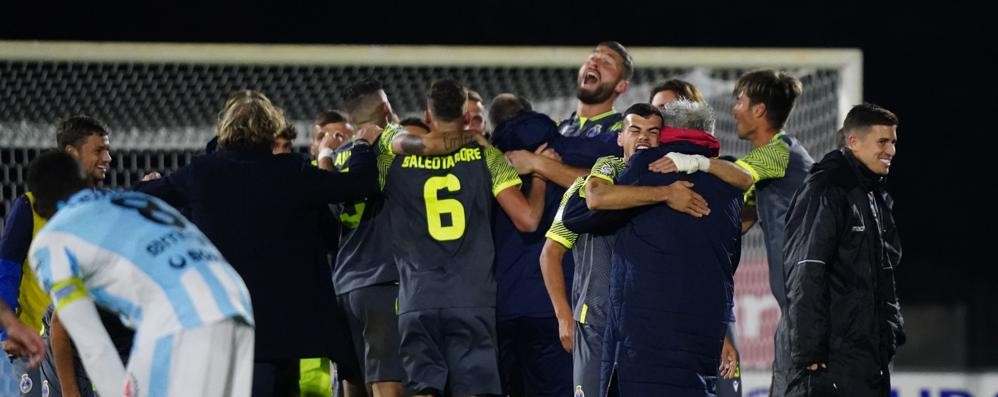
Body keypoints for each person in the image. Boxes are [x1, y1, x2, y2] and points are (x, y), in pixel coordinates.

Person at [136, 90, 375, 396]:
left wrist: (148, 182)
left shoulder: (201, 172)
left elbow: (144, 197)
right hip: (284, 328)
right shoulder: (291, 171)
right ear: (270, 129)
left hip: (222, 321)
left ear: (226, 129)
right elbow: (356, 186)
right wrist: (363, 148)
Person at [25, 150, 255, 397]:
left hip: (178, 318)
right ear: (84, 183)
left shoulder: (52, 239)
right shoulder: (141, 202)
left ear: (39, 209)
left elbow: (90, 339)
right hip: (237, 304)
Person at [379, 79, 546, 397]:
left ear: (427, 117)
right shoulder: (487, 158)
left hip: (417, 298)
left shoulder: (392, 160)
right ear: (466, 118)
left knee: (424, 389)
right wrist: (538, 179)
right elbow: (528, 220)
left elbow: (386, 137)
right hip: (471, 299)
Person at [563, 102, 743, 396]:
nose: (645, 140)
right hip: (701, 335)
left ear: (668, 134)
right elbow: (728, 263)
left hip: (639, 337)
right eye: (636, 130)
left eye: (654, 131)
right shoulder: (730, 183)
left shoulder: (642, 171)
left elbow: (579, 212)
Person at [495, 42, 632, 397]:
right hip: (514, 298)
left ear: (622, 86)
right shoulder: (553, 129)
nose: (595, 61)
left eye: (608, 61)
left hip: (572, 300)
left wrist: (539, 165)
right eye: (592, 56)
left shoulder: (621, 135)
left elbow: (603, 190)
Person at [772, 103, 903, 397]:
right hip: (828, 362)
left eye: (893, 142)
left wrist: (890, 334)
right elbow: (806, 269)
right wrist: (809, 353)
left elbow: (884, 275)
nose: (891, 150)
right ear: (853, 141)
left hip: (866, 360)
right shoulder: (826, 188)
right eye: (883, 141)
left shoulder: (873, 196)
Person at [0, 116, 130, 397]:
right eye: (98, 150)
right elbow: (7, 272)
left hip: (87, 345)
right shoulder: (29, 207)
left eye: (107, 150)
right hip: (35, 346)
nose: (108, 158)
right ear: (72, 154)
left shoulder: (105, 208)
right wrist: (6, 332)